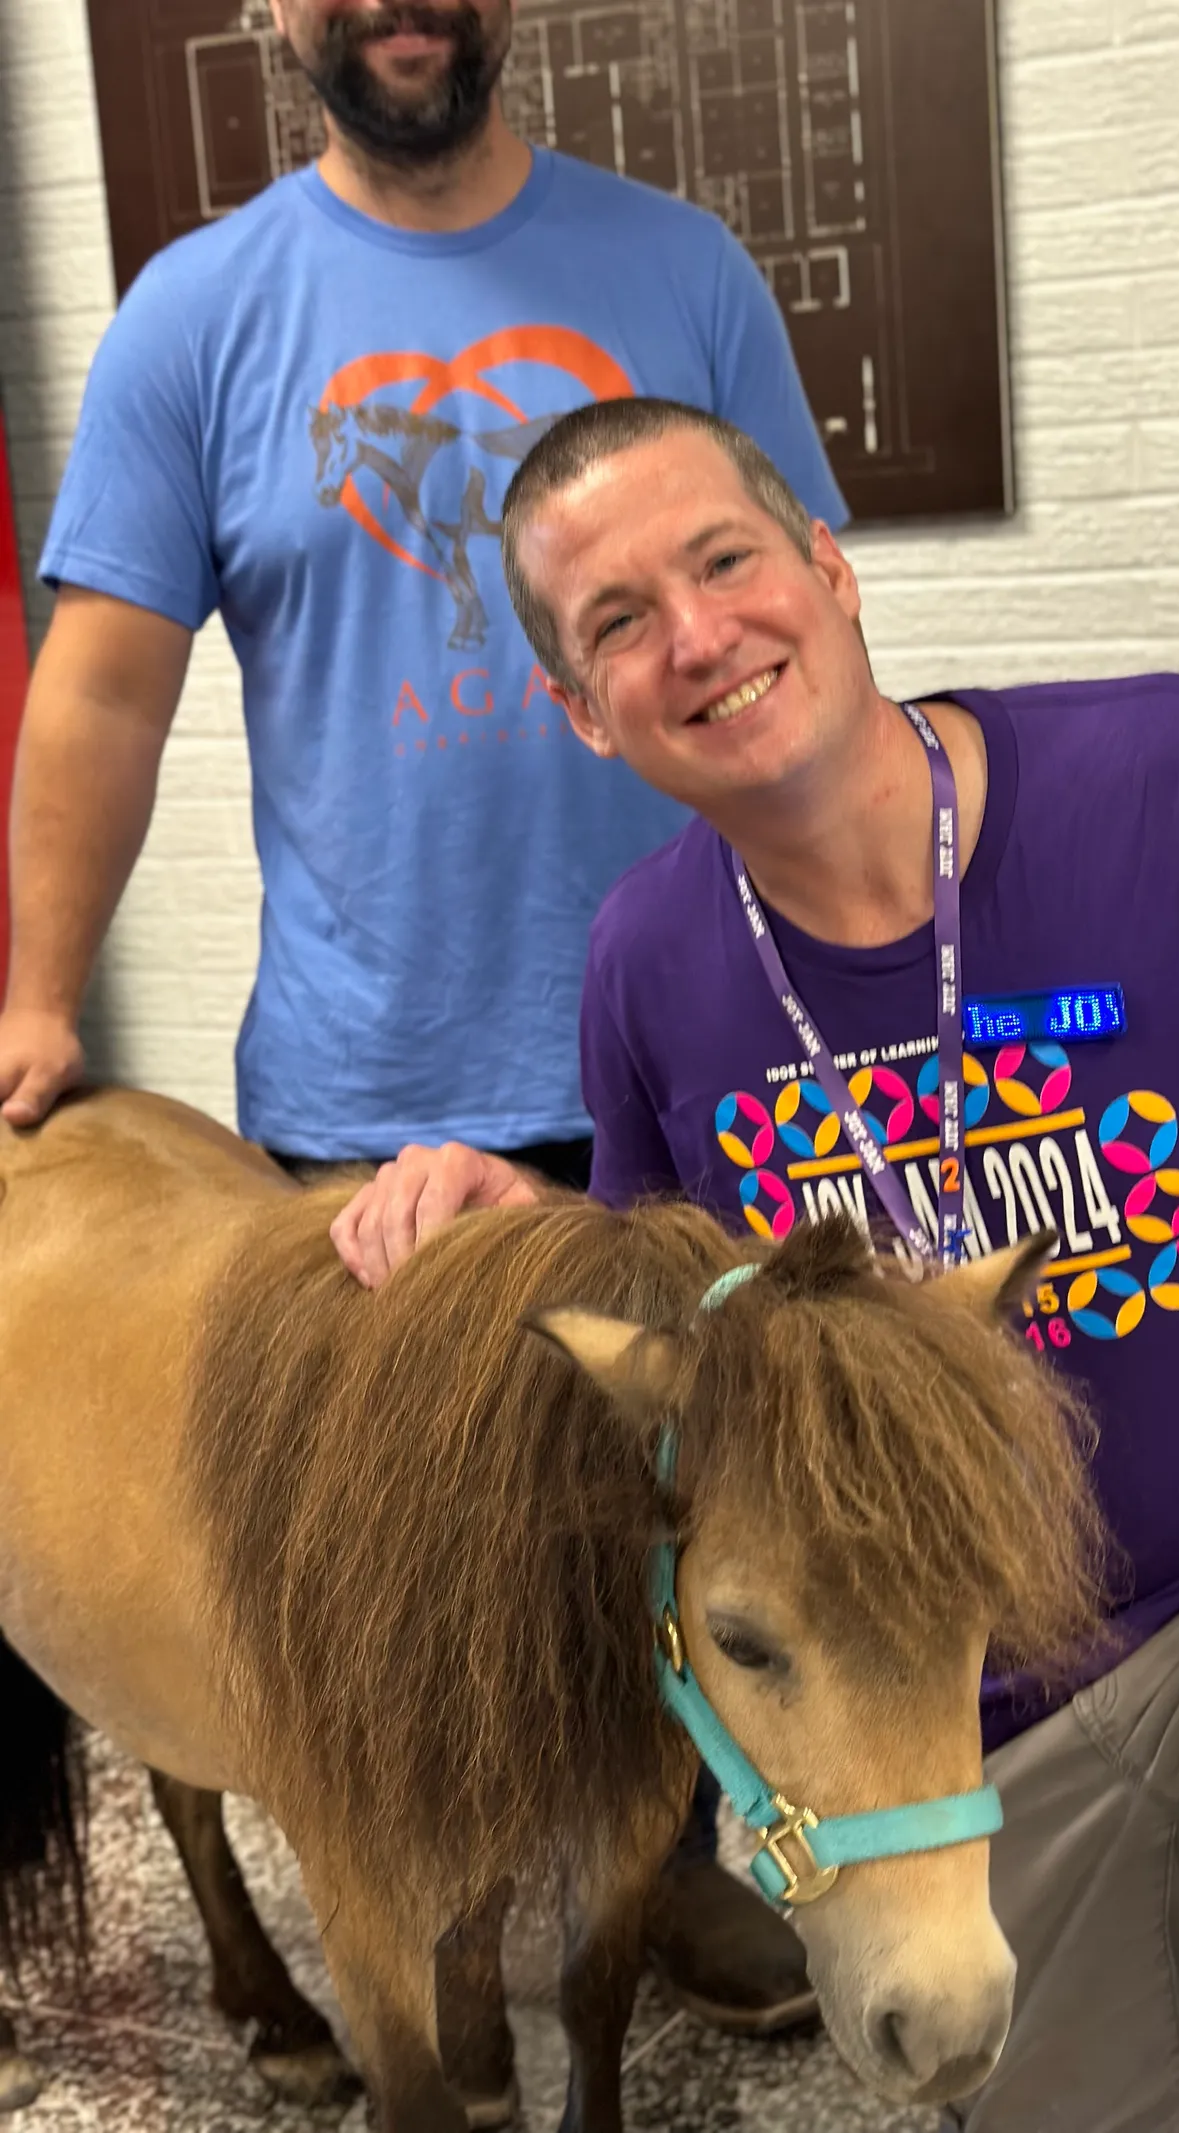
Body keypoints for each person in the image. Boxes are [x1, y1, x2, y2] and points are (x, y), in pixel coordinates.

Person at [334, 397, 1179, 2133]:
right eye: (618, 624)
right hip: (942, 1681)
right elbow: (687, 1336)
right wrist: (520, 1227)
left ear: (828, 571)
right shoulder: (646, 965)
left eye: (725, 562)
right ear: (580, 712)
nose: (697, 636)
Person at [2, 2, 842, 2033]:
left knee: (690, 1529)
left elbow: (799, 616)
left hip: (687, 1068)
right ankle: (441, 1927)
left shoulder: (683, 274)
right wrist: (32, 990)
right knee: (416, 1613)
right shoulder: (198, 318)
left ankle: (665, 1874)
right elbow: (104, 689)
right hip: (362, 1105)